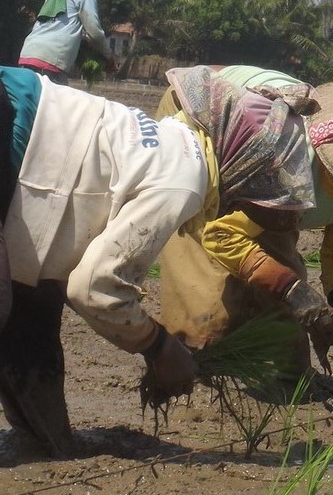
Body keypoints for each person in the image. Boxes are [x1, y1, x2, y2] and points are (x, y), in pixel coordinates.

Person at [0, 65, 316, 456]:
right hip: (12, 124)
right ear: (243, 161)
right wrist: (159, 347)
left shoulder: (172, 140)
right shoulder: (182, 180)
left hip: (17, 105)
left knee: (29, 307)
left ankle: (43, 442)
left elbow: (53, 272)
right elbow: (95, 289)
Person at [157, 66, 333, 374]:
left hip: (273, 182)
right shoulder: (288, 162)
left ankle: (281, 376)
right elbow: (221, 236)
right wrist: (291, 289)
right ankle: (192, 370)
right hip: (200, 118)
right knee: (209, 303)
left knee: (279, 295)